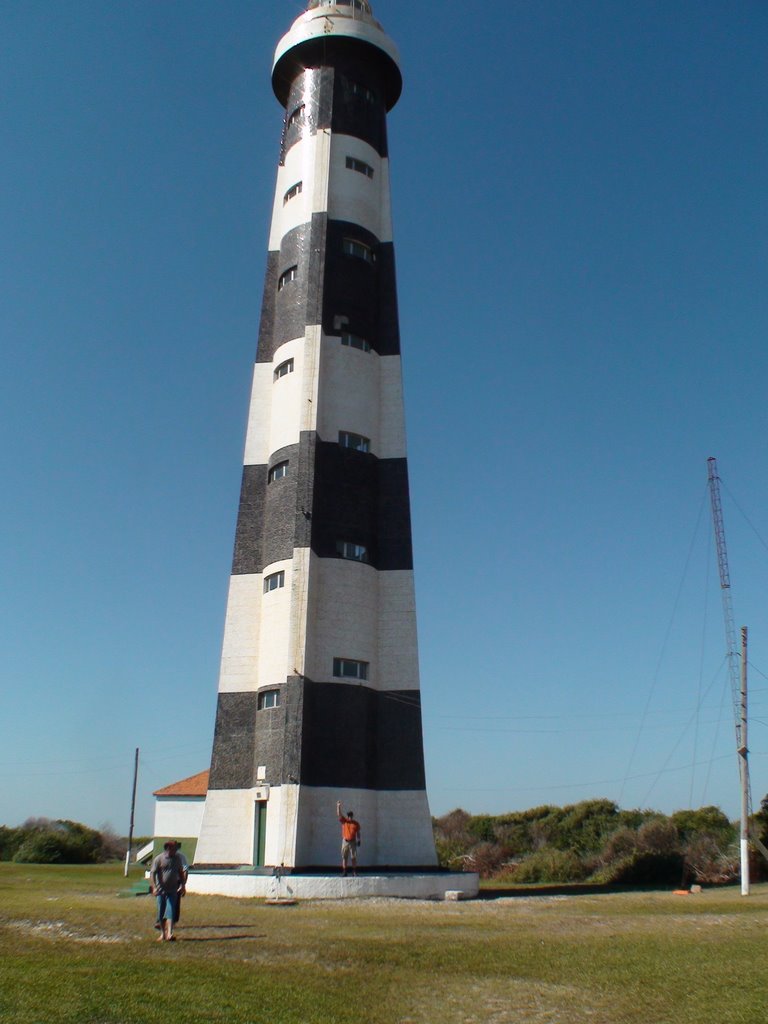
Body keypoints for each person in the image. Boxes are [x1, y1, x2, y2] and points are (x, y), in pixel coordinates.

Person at [150, 840, 186, 941]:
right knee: (161, 912)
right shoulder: (159, 859)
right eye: (174, 848)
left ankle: (170, 933)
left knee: (170, 911)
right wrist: (154, 887)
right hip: (161, 890)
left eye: (176, 849)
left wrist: (183, 885)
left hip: (173, 889)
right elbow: (152, 873)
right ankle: (163, 934)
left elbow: (181, 871)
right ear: (168, 849)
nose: (176, 850)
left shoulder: (178, 858)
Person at [336, 801, 361, 876]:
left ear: (352, 816)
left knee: (353, 857)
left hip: (352, 841)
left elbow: (358, 832)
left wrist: (359, 840)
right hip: (345, 841)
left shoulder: (356, 823)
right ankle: (344, 871)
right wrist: (338, 806)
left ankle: (354, 871)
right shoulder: (344, 821)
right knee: (344, 857)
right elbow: (339, 814)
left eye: (351, 816)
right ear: (347, 816)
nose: (350, 817)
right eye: (349, 816)